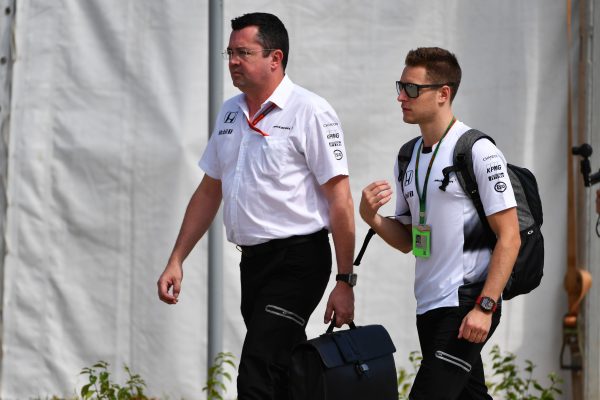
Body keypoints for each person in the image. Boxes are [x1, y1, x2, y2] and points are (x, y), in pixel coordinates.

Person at [157, 12, 356, 400]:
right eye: (229, 52)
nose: (232, 61)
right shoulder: (230, 111)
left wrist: (345, 281)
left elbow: (341, 199)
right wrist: (176, 259)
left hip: (300, 260)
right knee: (286, 374)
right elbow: (208, 191)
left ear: (275, 58)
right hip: (254, 262)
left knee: (257, 372)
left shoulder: (311, 111)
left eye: (243, 52)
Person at [359, 47, 521, 399]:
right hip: (428, 305)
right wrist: (371, 217)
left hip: (466, 304)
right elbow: (406, 240)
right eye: (400, 87)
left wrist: (486, 306)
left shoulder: (477, 150)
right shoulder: (408, 155)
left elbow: (510, 237)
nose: (401, 97)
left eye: (412, 89)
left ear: (443, 94)